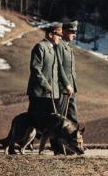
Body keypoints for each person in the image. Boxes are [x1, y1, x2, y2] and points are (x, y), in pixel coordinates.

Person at [26, 23, 71, 154]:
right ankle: (15, 144)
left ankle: (57, 149)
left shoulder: (54, 49)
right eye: (58, 35)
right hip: (39, 94)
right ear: (50, 34)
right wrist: (45, 85)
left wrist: (67, 85)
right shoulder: (40, 47)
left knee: (53, 123)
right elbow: (35, 69)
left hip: (52, 94)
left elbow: (59, 71)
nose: (60, 38)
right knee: (31, 121)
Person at [56, 21, 79, 124]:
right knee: (60, 117)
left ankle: (73, 138)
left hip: (70, 88)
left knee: (72, 116)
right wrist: (66, 84)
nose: (74, 35)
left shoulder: (68, 47)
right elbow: (59, 67)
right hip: (63, 88)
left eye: (75, 32)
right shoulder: (59, 46)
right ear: (64, 32)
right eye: (72, 32)